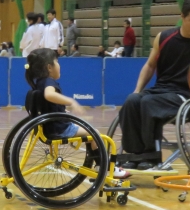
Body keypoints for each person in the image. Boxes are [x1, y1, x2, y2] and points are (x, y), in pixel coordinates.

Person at [118, 0, 190, 171]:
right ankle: (135, 155)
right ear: (182, 17)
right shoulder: (163, 38)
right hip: (161, 91)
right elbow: (149, 66)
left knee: (149, 103)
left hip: (187, 98)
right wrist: (137, 90)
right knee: (131, 102)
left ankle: (152, 157)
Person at [24, 48, 128, 179]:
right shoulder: (49, 82)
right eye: (57, 61)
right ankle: (104, 167)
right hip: (59, 129)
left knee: (90, 132)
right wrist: (71, 101)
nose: (59, 65)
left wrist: (61, 110)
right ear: (49, 67)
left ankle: (99, 164)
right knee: (96, 134)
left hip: (49, 128)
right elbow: (49, 95)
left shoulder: (39, 83)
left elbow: (47, 105)